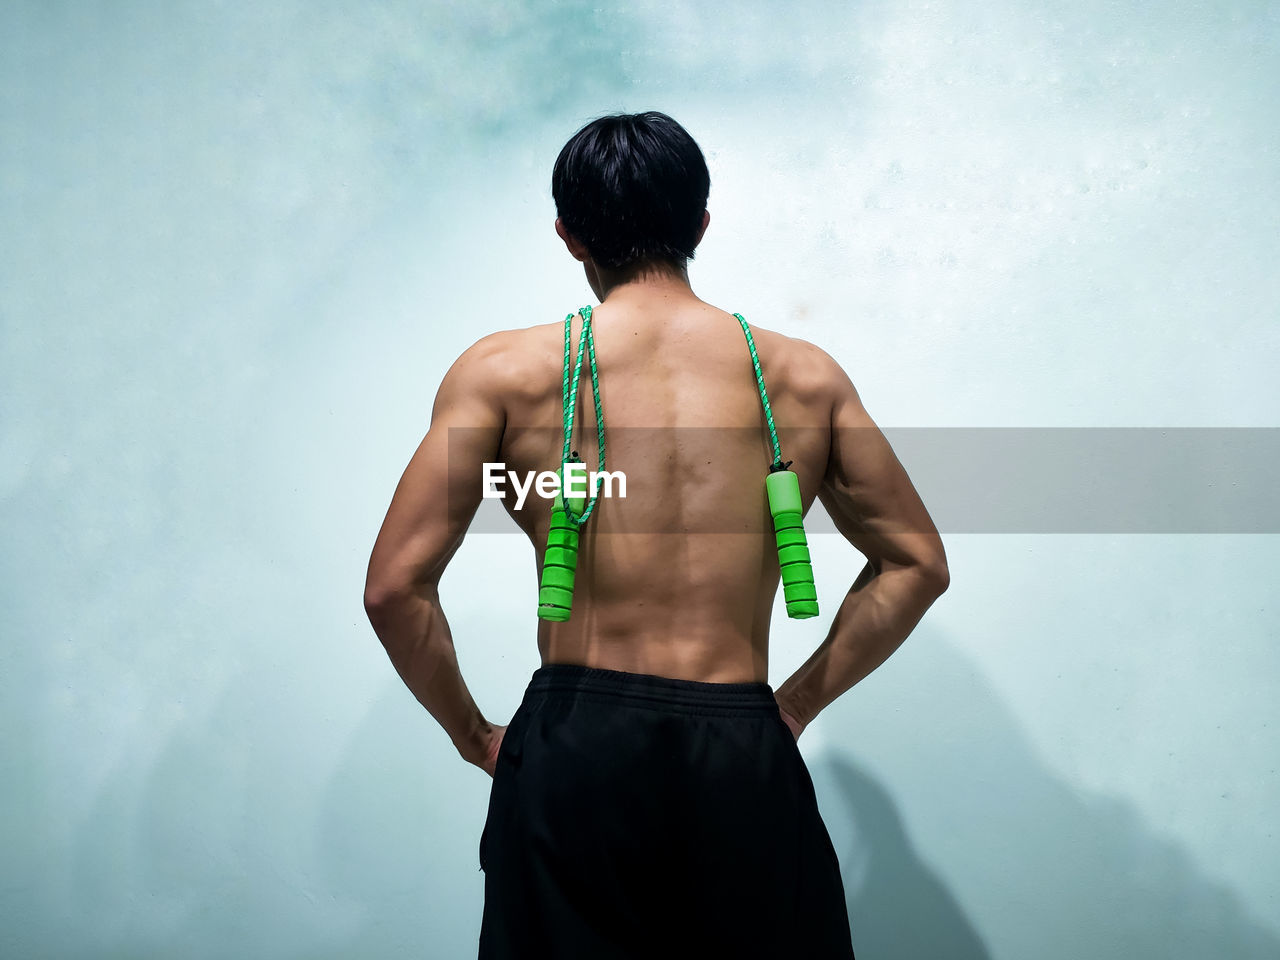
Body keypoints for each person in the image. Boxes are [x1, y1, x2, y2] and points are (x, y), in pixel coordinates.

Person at [363, 111, 950, 959]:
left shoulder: (503, 374)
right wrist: (796, 703)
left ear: (567, 235)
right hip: (740, 743)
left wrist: (475, 737)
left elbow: (393, 589)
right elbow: (916, 563)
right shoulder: (804, 377)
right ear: (701, 223)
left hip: (574, 743)